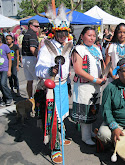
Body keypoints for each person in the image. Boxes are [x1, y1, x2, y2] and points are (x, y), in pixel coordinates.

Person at [35, 5, 73, 164]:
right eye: (60, 33)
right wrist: (50, 71)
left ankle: (61, 137)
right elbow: (38, 69)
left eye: (65, 33)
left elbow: (68, 66)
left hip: (63, 85)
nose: (63, 36)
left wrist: (69, 81)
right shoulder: (46, 47)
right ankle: (55, 147)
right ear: (54, 32)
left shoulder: (68, 46)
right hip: (51, 87)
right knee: (52, 118)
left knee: (62, 114)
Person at [70, 27, 107, 146]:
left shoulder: (96, 48)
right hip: (84, 85)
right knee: (86, 109)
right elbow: (78, 69)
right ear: (82, 36)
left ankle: (89, 132)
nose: (92, 38)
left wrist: (104, 74)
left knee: (93, 108)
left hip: (96, 85)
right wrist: (95, 79)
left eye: (94, 36)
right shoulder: (79, 49)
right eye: (89, 35)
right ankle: (85, 137)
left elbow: (102, 63)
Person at [22, 19, 39, 99]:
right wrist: (39, 58)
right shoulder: (32, 34)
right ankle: (38, 98)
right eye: (36, 26)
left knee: (29, 80)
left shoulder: (26, 34)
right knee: (39, 79)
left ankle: (30, 98)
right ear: (31, 26)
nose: (38, 28)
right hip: (31, 58)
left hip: (25, 58)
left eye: (38, 26)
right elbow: (32, 49)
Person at [0, 34, 13, 106]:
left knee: (3, 83)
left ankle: (9, 97)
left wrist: (9, 70)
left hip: (4, 68)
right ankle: (3, 99)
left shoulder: (5, 46)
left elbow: (9, 58)